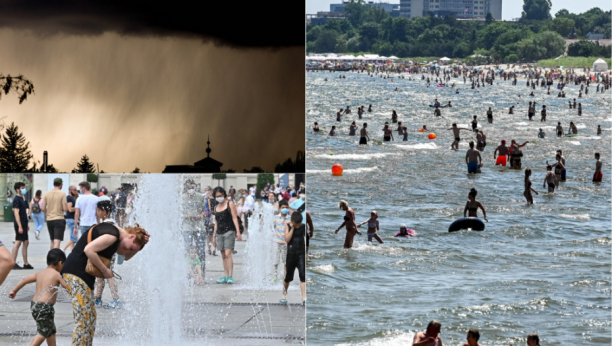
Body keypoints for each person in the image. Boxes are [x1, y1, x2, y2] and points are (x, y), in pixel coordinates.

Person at [61, 220, 149, 345]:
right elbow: (88, 250)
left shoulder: (117, 236)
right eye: (130, 248)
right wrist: (105, 270)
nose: (127, 250)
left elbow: (125, 257)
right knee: (83, 318)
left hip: (83, 277)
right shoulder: (112, 234)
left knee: (90, 317)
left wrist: (139, 246)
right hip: (75, 274)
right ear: (131, 236)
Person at [8, 249, 68, 346]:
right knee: (43, 332)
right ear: (60, 263)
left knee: (50, 330)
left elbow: (24, 280)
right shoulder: (57, 275)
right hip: (45, 307)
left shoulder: (40, 273)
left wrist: (14, 291)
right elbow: (68, 288)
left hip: (35, 305)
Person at [212, 187, 242, 284]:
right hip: (219, 232)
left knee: (228, 254)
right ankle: (225, 275)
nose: (219, 198)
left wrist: (238, 232)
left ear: (224, 194)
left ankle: (230, 276)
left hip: (229, 230)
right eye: (217, 196)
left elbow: (234, 218)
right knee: (223, 255)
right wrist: (214, 236)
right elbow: (216, 223)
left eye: (220, 196)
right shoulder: (216, 207)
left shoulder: (230, 204)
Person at [181, 180, 207, 282]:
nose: (191, 189)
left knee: (200, 251)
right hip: (187, 225)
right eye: (189, 188)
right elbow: (178, 212)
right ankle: (188, 274)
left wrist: (200, 215)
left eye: (193, 187)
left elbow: (204, 210)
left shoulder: (200, 196)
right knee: (187, 250)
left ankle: (201, 275)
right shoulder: (182, 198)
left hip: (199, 226)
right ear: (186, 188)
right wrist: (186, 216)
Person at [280, 211, 306, 305]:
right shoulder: (288, 226)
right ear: (292, 221)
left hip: (301, 254)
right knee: (288, 277)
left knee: (303, 276)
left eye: (299, 224)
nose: (298, 226)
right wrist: (292, 229)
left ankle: (304, 298)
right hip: (291, 254)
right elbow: (287, 239)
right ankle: (284, 295)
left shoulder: (303, 227)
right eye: (296, 224)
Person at [41, 178, 68, 250]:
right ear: (61, 184)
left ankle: (51, 259)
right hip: (59, 219)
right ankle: (55, 258)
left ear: (53, 184)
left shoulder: (47, 194)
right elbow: (65, 209)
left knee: (52, 241)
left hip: (49, 219)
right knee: (57, 241)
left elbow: (43, 208)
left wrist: (50, 210)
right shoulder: (62, 194)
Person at [12, 182, 33, 270]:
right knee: (18, 242)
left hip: (24, 223)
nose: (24, 189)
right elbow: (16, 213)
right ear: (17, 189)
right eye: (22, 187)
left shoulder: (23, 198)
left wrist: (26, 224)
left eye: (24, 187)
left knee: (26, 242)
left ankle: (26, 263)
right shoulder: (16, 199)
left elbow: (24, 213)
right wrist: (20, 226)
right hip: (19, 223)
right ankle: (12, 263)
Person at [273, 200, 290, 282]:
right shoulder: (275, 218)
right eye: (283, 208)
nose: (285, 209)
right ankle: (274, 276)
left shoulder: (290, 219)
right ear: (279, 208)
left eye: (286, 208)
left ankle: (285, 276)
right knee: (275, 261)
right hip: (276, 242)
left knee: (286, 261)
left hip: (286, 243)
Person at [62, 186, 79, 253]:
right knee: (74, 238)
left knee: (72, 238)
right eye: (74, 190)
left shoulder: (72, 198)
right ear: (70, 190)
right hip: (71, 219)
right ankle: (63, 249)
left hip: (72, 219)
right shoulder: (69, 198)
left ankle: (72, 253)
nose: (75, 191)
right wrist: (78, 208)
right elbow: (70, 209)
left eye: (76, 190)